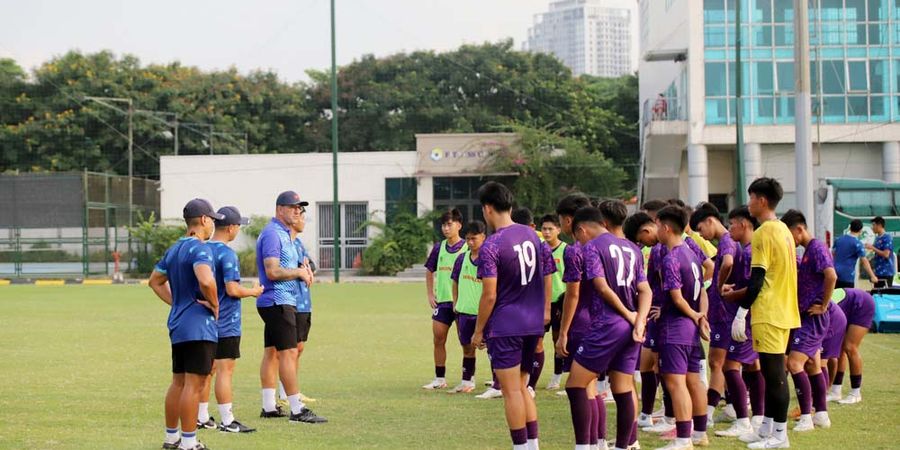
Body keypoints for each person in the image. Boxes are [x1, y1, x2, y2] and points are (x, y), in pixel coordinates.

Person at [472, 181, 555, 450]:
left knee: (510, 392)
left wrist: (478, 329)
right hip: (533, 324)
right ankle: (533, 445)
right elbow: (548, 274)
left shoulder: (492, 245)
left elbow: (489, 295)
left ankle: (521, 447)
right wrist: (544, 310)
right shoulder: (533, 236)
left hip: (507, 325)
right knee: (522, 387)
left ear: (487, 209)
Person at [566, 203, 651, 450]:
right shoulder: (633, 248)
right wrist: (639, 319)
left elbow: (602, 287)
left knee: (575, 384)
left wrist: (627, 314)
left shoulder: (592, 247)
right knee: (623, 387)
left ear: (581, 230)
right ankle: (624, 446)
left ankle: (583, 447)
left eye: (576, 238)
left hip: (608, 324)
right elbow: (645, 289)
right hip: (631, 326)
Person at [148, 198, 224, 450]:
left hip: (179, 324)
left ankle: (172, 438)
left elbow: (155, 281)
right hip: (199, 327)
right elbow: (206, 280)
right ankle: (189, 443)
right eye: (212, 219)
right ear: (203, 220)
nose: (213, 224)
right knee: (195, 384)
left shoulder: (174, 249)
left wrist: (177, 303)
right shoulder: (201, 248)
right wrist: (214, 304)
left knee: (178, 382)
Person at [730, 177, 799, 449]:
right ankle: (767, 428)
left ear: (761, 200)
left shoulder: (763, 232)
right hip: (783, 310)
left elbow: (757, 279)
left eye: (750, 199)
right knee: (772, 375)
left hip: (769, 312)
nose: (748, 205)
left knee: (774, 377)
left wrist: (741, 312)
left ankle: (780, 436)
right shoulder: (783, 229)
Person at [256, 191, 326, 423]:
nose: (297, 210)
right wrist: (299, 271)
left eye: (299, 207)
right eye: (292, 207)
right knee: (288, 352)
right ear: (279, 209)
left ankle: (269, 406)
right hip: (278, 299)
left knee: (273, 352)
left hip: (282, 300)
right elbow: (272, 271)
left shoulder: (284, 234)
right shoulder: (273, 234)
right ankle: (297, 409)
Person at [197, 206, 263, 434]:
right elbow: (232, 289)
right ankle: (227, 420)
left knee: (208, 370)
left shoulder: (202, 249)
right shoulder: (227, 254)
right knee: (225, 370)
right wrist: (253, 292)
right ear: (232, 228)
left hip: (204, 322)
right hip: (226, 322)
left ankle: (202, 417)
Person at [654, 205, 711, 450]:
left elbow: (677, 298)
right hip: (690, 329)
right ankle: (699, 434)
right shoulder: (691, 253)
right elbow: (704, 290)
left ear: (666, 228)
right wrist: (700, 317)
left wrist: (696, 314)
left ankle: (684, 439)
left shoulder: (672, 257)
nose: (656, 229)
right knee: (694, 381)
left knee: (676, 383)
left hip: (676, 327)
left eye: (657, 225)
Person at [781, 209, 835, 432]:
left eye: (789, 235)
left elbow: (831, 275)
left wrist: (823, 304)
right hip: (805, 316)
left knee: (794, 363)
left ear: (799, 229)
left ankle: (805, 417)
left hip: (814, 318)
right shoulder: (807, 251)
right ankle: (821, 414)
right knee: (812, 364)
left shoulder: (817, 248)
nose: (788, 240)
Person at [715, 206, 765, 438]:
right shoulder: (747, 249)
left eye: (732, 224)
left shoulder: (749, 251)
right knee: (753, 366)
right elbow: (747, 283)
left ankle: (743, 420)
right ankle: (758, 417)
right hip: (753, 315)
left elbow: (754, 287)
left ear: (744, 224)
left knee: (730, 367)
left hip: (746, 316)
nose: (729, 229)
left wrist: (728, 294)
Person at [690, 202, 740, 429]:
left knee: (718, 362)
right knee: (726, 363)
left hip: (726, 314)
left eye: (701, 228)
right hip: (723, 313)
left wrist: (719, 286)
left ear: (710, 220)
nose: (702, 235)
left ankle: (709, 412)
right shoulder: (725, 241)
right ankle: (731, 407)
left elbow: (727, 262)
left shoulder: (728, 241)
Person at [423, 208, 468, 390]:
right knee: (438, 339)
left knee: (466, 343)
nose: (446, 228)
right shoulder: (438, 248)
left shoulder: (467, 247)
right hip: (443, 302)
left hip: (462, 304)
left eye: (449, 224)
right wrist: (430, 294)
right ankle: (439, 378)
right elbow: (429, 270)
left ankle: (468, 379)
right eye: (443, 225)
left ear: (459, 225)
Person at [512, 207, 554, 396]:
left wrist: (546, 308)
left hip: (535, 305)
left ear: (532, 226)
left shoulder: (541, 245)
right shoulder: (508, 243)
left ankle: (531, 385)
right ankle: (516, 382)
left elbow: (548, 278)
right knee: (515, 345)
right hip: (514, 305)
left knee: (536, 344)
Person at [449, 220, 487, 394]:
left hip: (484, 313)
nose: (470, 242)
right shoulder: (461, 258)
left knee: (491, 349)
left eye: (474, 239)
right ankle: (467, 381)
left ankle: (498, 384)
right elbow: (455, 280)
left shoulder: (489, 259)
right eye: (468, 239)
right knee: (467, 347)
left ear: (483, 237)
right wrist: (456, 301)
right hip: (464, 312)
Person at [830, 288, 876, 404]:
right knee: (838, 348)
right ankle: (836, 392)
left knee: (850, 347)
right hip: (844, 307)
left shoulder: (822, 306)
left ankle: (855, 393)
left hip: (862, 303)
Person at [540, 214, 568, 390]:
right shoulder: (538, 249)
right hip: (540, 301)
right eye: (544, 229)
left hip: (560, 300)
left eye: (551, 228)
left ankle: (557, 375)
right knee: (535, 339)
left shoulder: (566, 250)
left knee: (557, 339)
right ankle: (529, 374)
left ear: (558, 229)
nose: (547, 232)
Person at [832, 219, 878, 288]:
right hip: (847, 276)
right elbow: (865, 262)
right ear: (860, 230)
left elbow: (832, 254)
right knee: (847, 297)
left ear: (850, 228)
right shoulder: (857, 244)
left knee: (835, 297)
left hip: (834, 273)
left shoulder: (839, 239)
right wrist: (872, 276)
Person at [866, 216, 895, 287]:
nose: (872, 227)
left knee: (885, 295)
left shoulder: (887, 237)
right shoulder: (878, 237)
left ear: (879, 225)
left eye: (874, 225)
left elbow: (886, 254)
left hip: (886, 273)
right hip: (877, 272)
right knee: (877, 294)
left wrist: (873, 248)